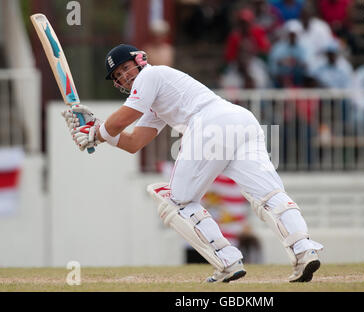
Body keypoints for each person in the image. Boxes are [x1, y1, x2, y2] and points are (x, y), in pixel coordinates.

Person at [61, 44, 323, 283]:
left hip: (210, 124)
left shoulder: (151, 75)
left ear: (139, 60)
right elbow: (133, 142)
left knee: (176, 201)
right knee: (269, 195)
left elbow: (122, 119)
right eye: (117, 76)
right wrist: (98, 130)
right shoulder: (154, 97)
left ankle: (227, 262)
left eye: (124, 68)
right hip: (240, 121)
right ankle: (304, 250)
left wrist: (95, 133)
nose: (123, 77)